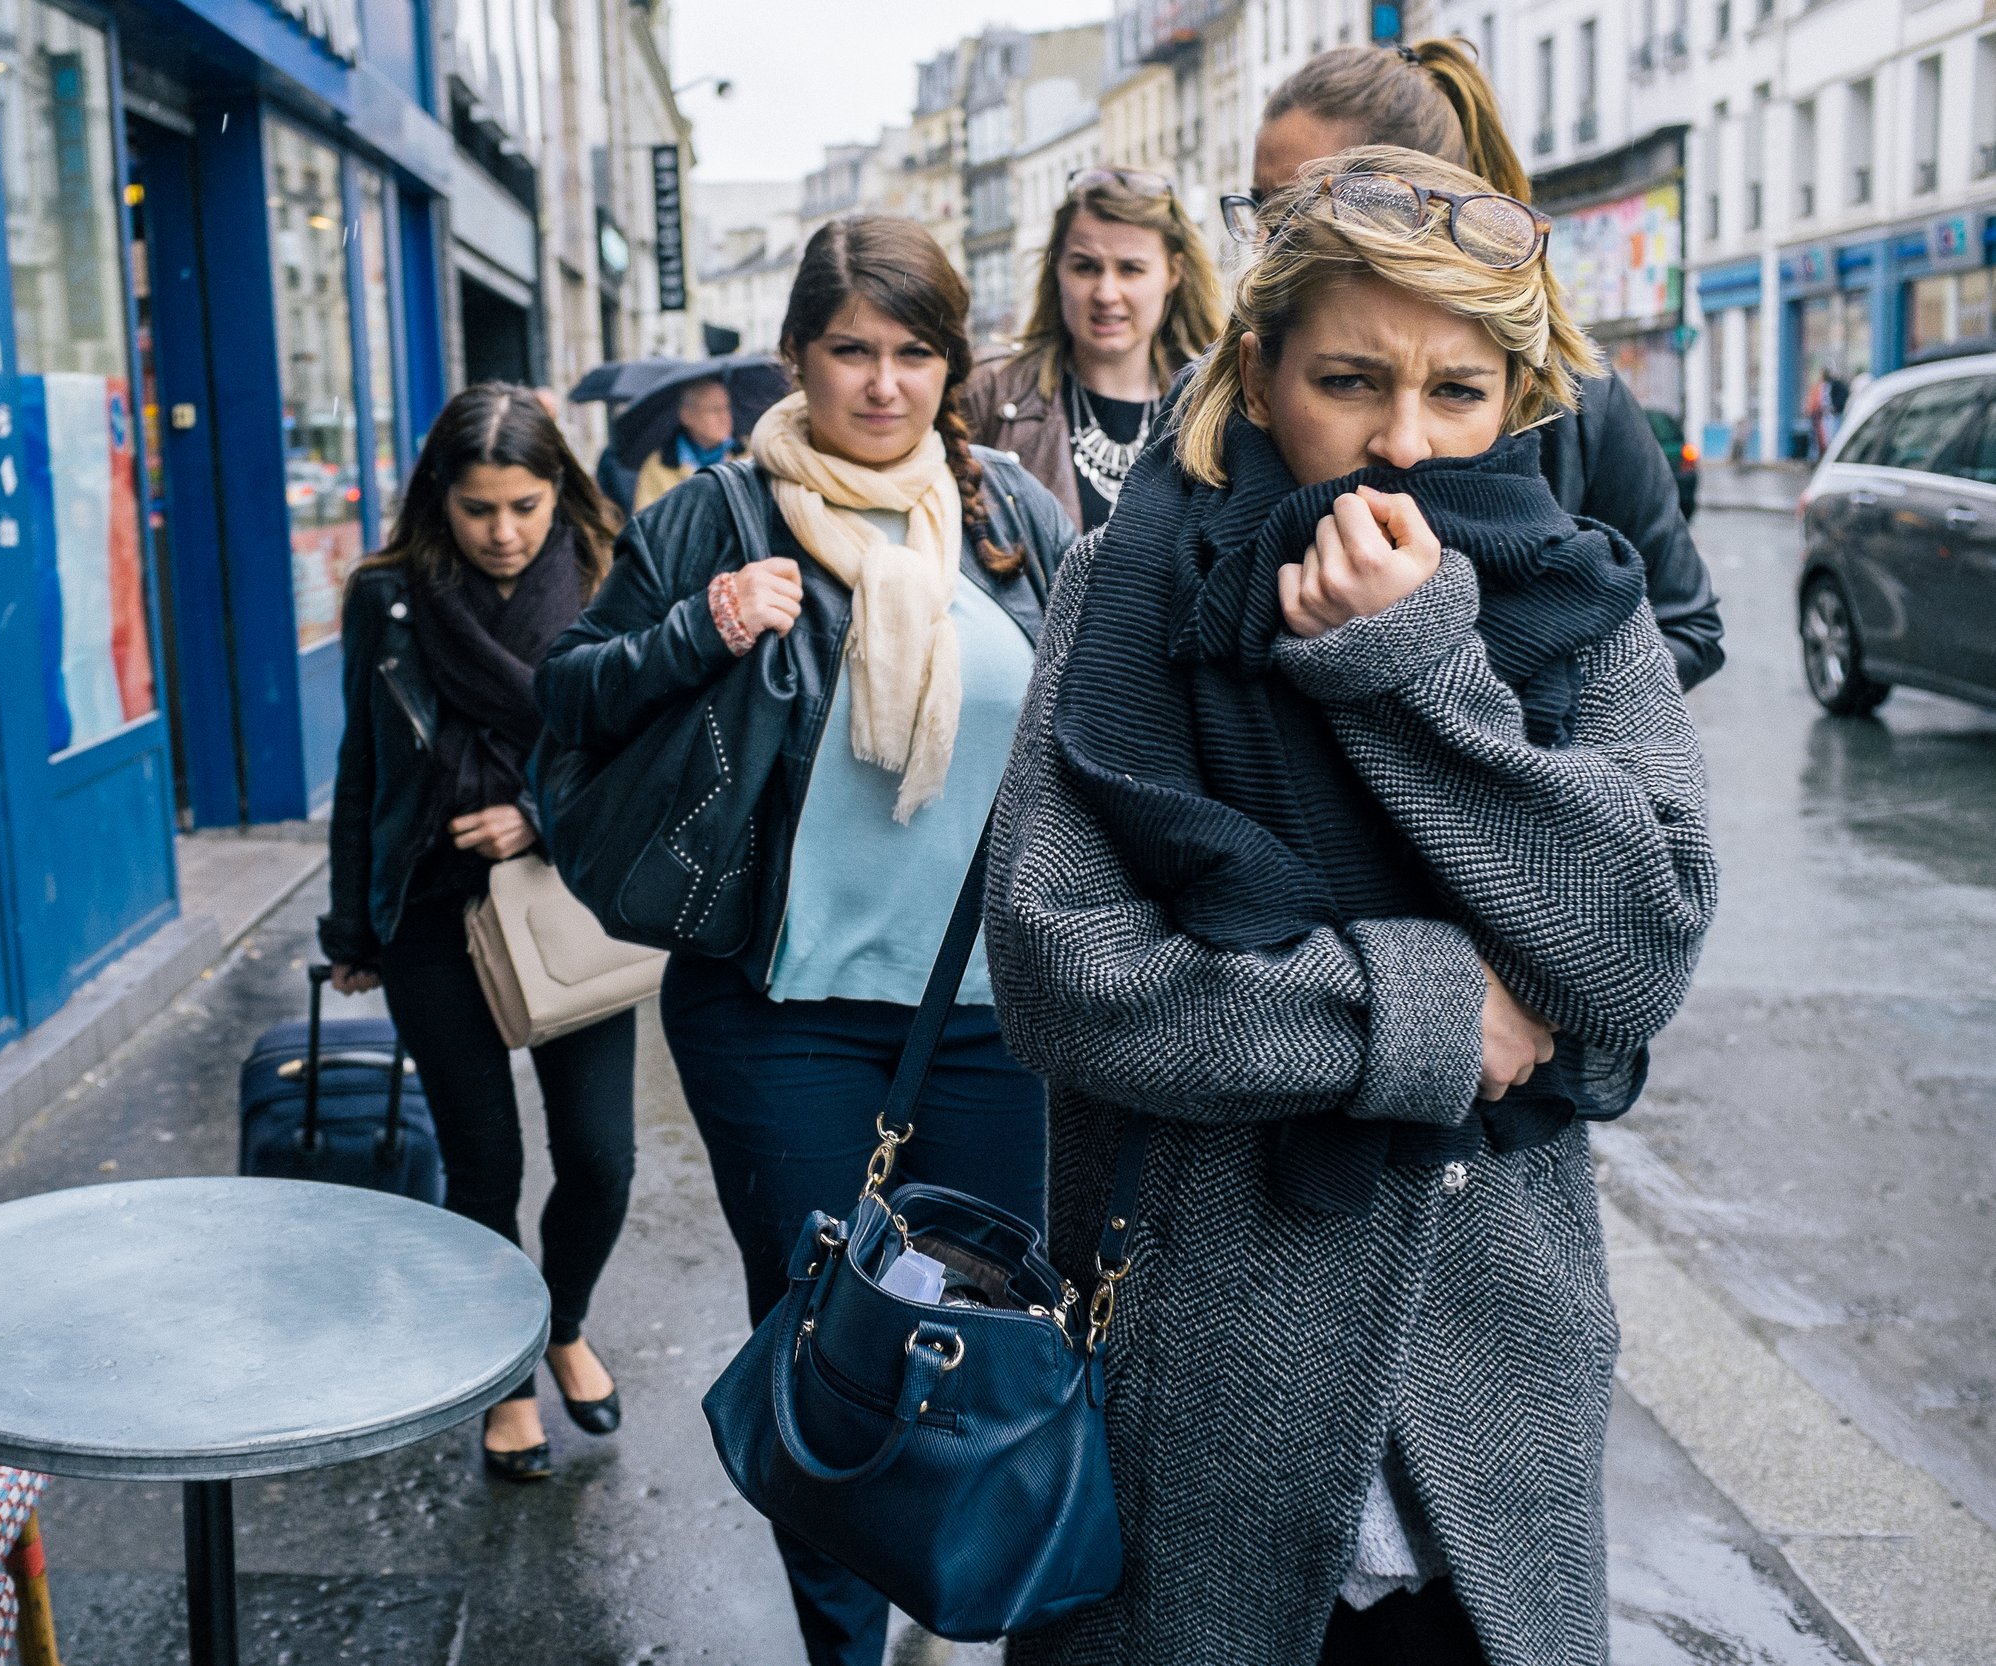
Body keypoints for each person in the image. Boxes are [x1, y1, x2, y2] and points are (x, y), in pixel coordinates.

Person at [987, 147, 1719, 1666]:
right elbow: (1066, 973)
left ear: (1520, 398)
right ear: (1257, 374)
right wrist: (1434, 1015)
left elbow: (1638, 953)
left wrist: (1414, 675)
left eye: (1458, 391)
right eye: (1350, 380)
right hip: (1200, 1389)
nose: (1400, 443)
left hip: (1493, 1397)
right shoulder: (1128, 585)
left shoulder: (1586, 598)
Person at [534, 216, 1078, 1666]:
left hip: (995, 1018)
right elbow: (568, 703)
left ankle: (954, 1576)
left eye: (915, 353)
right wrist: (697, 630)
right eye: (852, 350)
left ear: (954, 365)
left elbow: (1107, 734)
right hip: (782, 1016)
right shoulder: (716, 517)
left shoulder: (1021, 519)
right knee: (834, 1343)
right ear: (797, 356)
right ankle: (845, 1640)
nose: (884, 384)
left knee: (998, 1327)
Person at [319, 383, 636, 1484]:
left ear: (560, 491)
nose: (503, 533)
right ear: (436, 502)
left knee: (600, 1158)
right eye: (477, 509)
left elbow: (644, 748)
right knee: (484, 1161)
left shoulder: (607, 577)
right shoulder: (389, 599)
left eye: (524, 505)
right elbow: (363, 765)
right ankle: (506, 1380)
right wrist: (350, 919)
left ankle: (563, 1320)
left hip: (568, 908)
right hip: (432, 912)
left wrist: (538, 816)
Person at [1230, 37, 1727, 689]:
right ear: (1259, 380)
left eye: (1306, 205)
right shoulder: (1222, 401)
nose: (1275, 242)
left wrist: (1489, 674)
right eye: (1263, 207)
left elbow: (1684, 624)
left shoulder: (1580, 401)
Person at [962, 169, 1226, 535]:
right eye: (1086, 267)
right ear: (1058, 268)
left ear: (1173, 272)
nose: (1106, 293)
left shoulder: (1217, 403)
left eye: (1131, 269)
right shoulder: (990, 392)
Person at [632, 375, 744, 511]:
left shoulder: (748, 455)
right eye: (714, 409)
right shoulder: (658, 466)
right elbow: (646, 523)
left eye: (726, 407)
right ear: (687, 416)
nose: (724, 417)